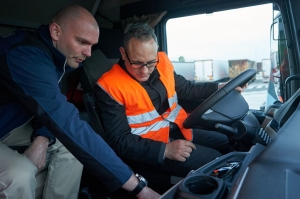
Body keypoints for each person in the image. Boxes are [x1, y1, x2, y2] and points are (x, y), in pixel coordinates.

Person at [0, 6, 160, 199]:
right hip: (8, 125)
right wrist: (137, 187)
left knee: (70, 148)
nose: (89, 53)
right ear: (56, 32)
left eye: (92, 45)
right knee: (19, 174)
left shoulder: (56, 56)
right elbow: (66, 121)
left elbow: (49, 105)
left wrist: (42, 138)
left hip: (12, 122)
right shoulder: (26, 56)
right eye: (82, 42)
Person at [95, 23, 247, 192]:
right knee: (216, 160)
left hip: (177, 128)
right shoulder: (110, 86)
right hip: (148, 147)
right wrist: (165, 150)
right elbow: (119, 140)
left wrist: (219, 87)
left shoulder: (163, 64)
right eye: (137, 63)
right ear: (123, 53)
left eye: (151, 62)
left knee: (227, 142)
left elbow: (187, 88)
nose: (145, 71)